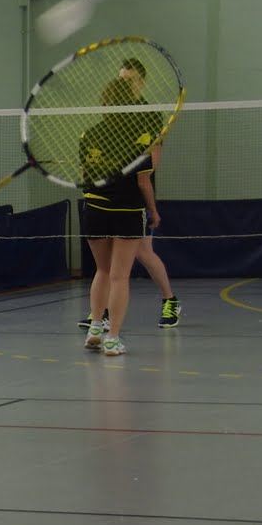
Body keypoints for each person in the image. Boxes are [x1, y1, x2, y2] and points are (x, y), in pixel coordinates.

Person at [80, 60, 164, 356]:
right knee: (119, 276)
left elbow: (86, 177)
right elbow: (144, 180)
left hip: (94, 209)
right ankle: (112, 338)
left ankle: (94, 327)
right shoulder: (140, 137)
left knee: (101, 270)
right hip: (127, 211)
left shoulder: (88, 135)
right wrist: (153, 210)